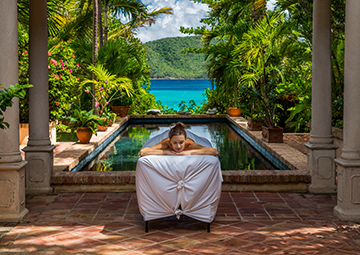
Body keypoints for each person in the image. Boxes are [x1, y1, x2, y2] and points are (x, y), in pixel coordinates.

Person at [139, 122, 219, 157]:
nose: (178, 146)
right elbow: (143, 152)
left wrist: (189, 152)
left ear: (185, 140)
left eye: (181, 142)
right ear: (170, 141)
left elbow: (214, 151)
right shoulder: (166, 144)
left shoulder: (189, 144)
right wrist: (167, 152)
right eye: (175, 143)